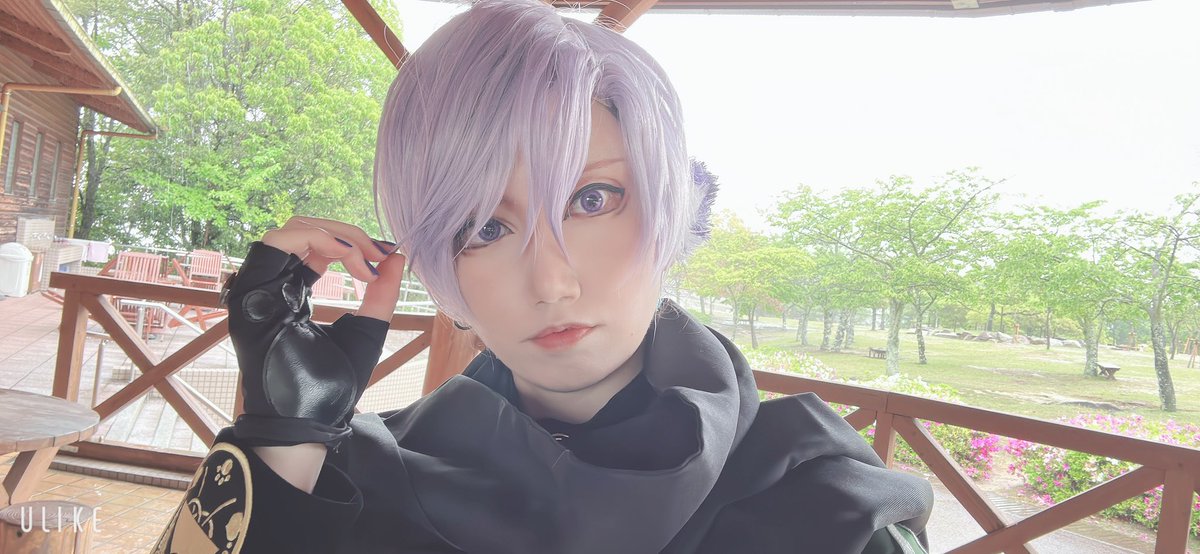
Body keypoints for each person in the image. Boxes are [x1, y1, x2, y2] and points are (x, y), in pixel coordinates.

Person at [153, 0, 933, 552]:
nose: (552, 281)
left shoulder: (819, 505)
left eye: (593, 199)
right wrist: (282, 440)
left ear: (669, 209)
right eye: (485, 228)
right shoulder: (359, 474)